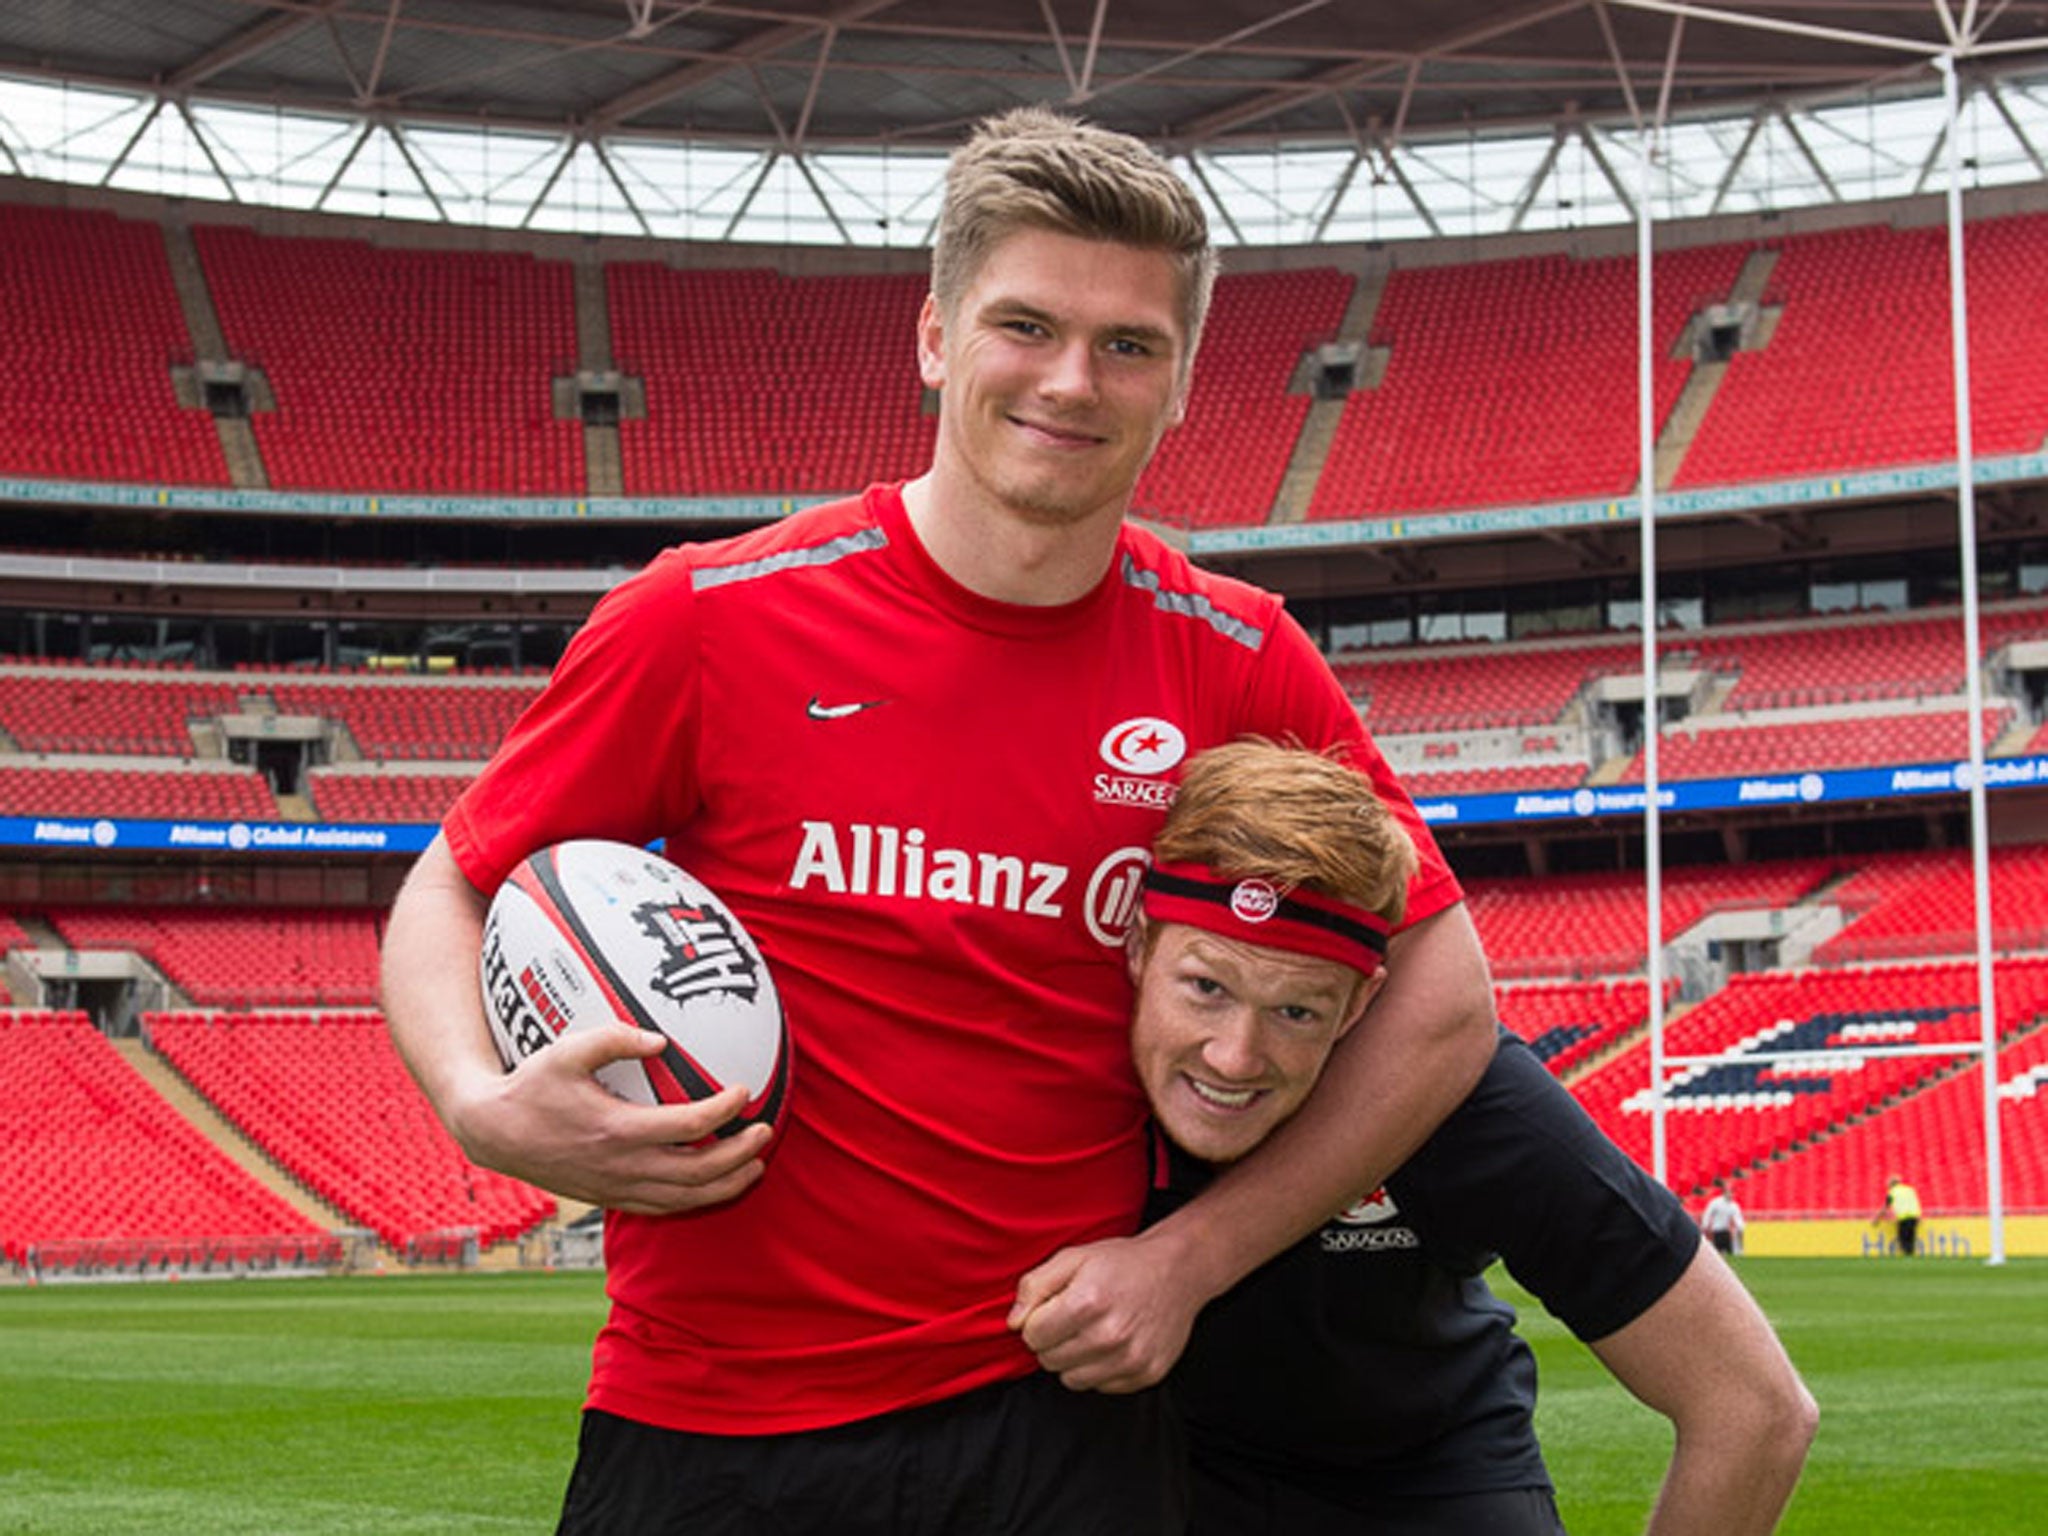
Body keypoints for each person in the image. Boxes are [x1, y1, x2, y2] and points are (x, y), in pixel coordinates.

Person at [378, 106, 1496, 1535]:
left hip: (1059, 1421)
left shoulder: (1238, 655)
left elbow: (1449, 998)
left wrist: (1193, 1262)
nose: (1072, 381)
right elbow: (450, 890)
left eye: (1129, 345)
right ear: (933, 338)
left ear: (1183, 384)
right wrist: (486, 1108)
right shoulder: (702, 621)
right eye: (1025, 325)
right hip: (710, 1418)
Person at [1091, 739, 1816, 1535]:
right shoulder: (1039, 1073)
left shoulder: (1464, 1099)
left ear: (1363, 1007)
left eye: (1296, 1010)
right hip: (1149, 1479)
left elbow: (1755, 1407)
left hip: (1426, 1482)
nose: (1234, 1056)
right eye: (1205, 987)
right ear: (1136, 948)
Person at [1875, 1174, 1922, 1255]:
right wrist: (1919, 1216)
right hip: (1914, 1217)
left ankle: (1907, 1259)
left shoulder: (1892, 1192)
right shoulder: (1909, 1189)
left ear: (1891, 1184)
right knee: (1911, 1239)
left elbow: (1885, 1207)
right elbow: (1916, 1203)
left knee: (1903, 1240)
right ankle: (1911, 1258)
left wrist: (1877, 1218)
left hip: (1903, 1218)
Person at [1701, 1181, 1746, 1256]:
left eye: (1732, 1192)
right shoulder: (1715, 1202)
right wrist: (1705, 1226)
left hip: (1726, 1232)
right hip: (1716, 1232)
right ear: (1724, 1192)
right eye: (1728, 1192)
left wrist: (1741, 1227)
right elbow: (1708, 1214)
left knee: (1730, 1254)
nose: (1730, 1194)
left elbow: (1738, 1218)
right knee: (1717, 1254)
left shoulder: (1734, 1206)